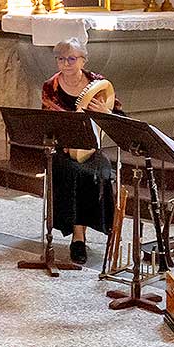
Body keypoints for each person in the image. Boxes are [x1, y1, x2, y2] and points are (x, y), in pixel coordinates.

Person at [38, 39, 121, 265]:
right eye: (61, 59)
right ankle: (78, 237)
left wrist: (106, 112)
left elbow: (121, 120)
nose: (66, 64)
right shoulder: (51, 86)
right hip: (60, 149)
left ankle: (97, 228)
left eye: (72, 59)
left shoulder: (99, 84)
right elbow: (48, 122)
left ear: (84, 60)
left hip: (91, 149)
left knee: (98, 172)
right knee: (73, 171)